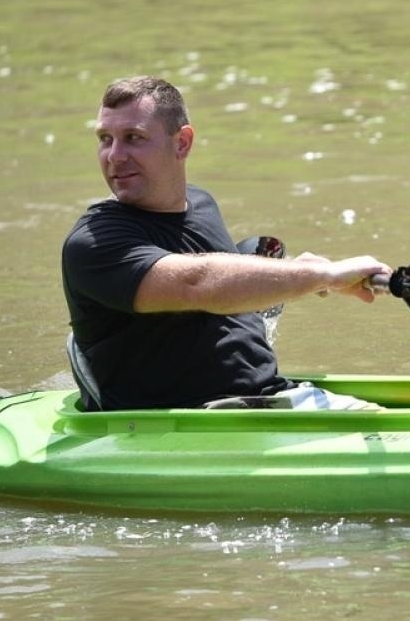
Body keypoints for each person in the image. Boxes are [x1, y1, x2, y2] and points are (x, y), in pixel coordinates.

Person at [61, 75, 389, 410]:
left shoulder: (201, 203)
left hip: (270, 396)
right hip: (188, 421)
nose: (115, 155)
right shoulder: (94, 244)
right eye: (105, 139)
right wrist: (325, 276)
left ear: (182, 143)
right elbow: (198, 282)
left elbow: (228, 282)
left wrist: (299, 274)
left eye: (134, 138)